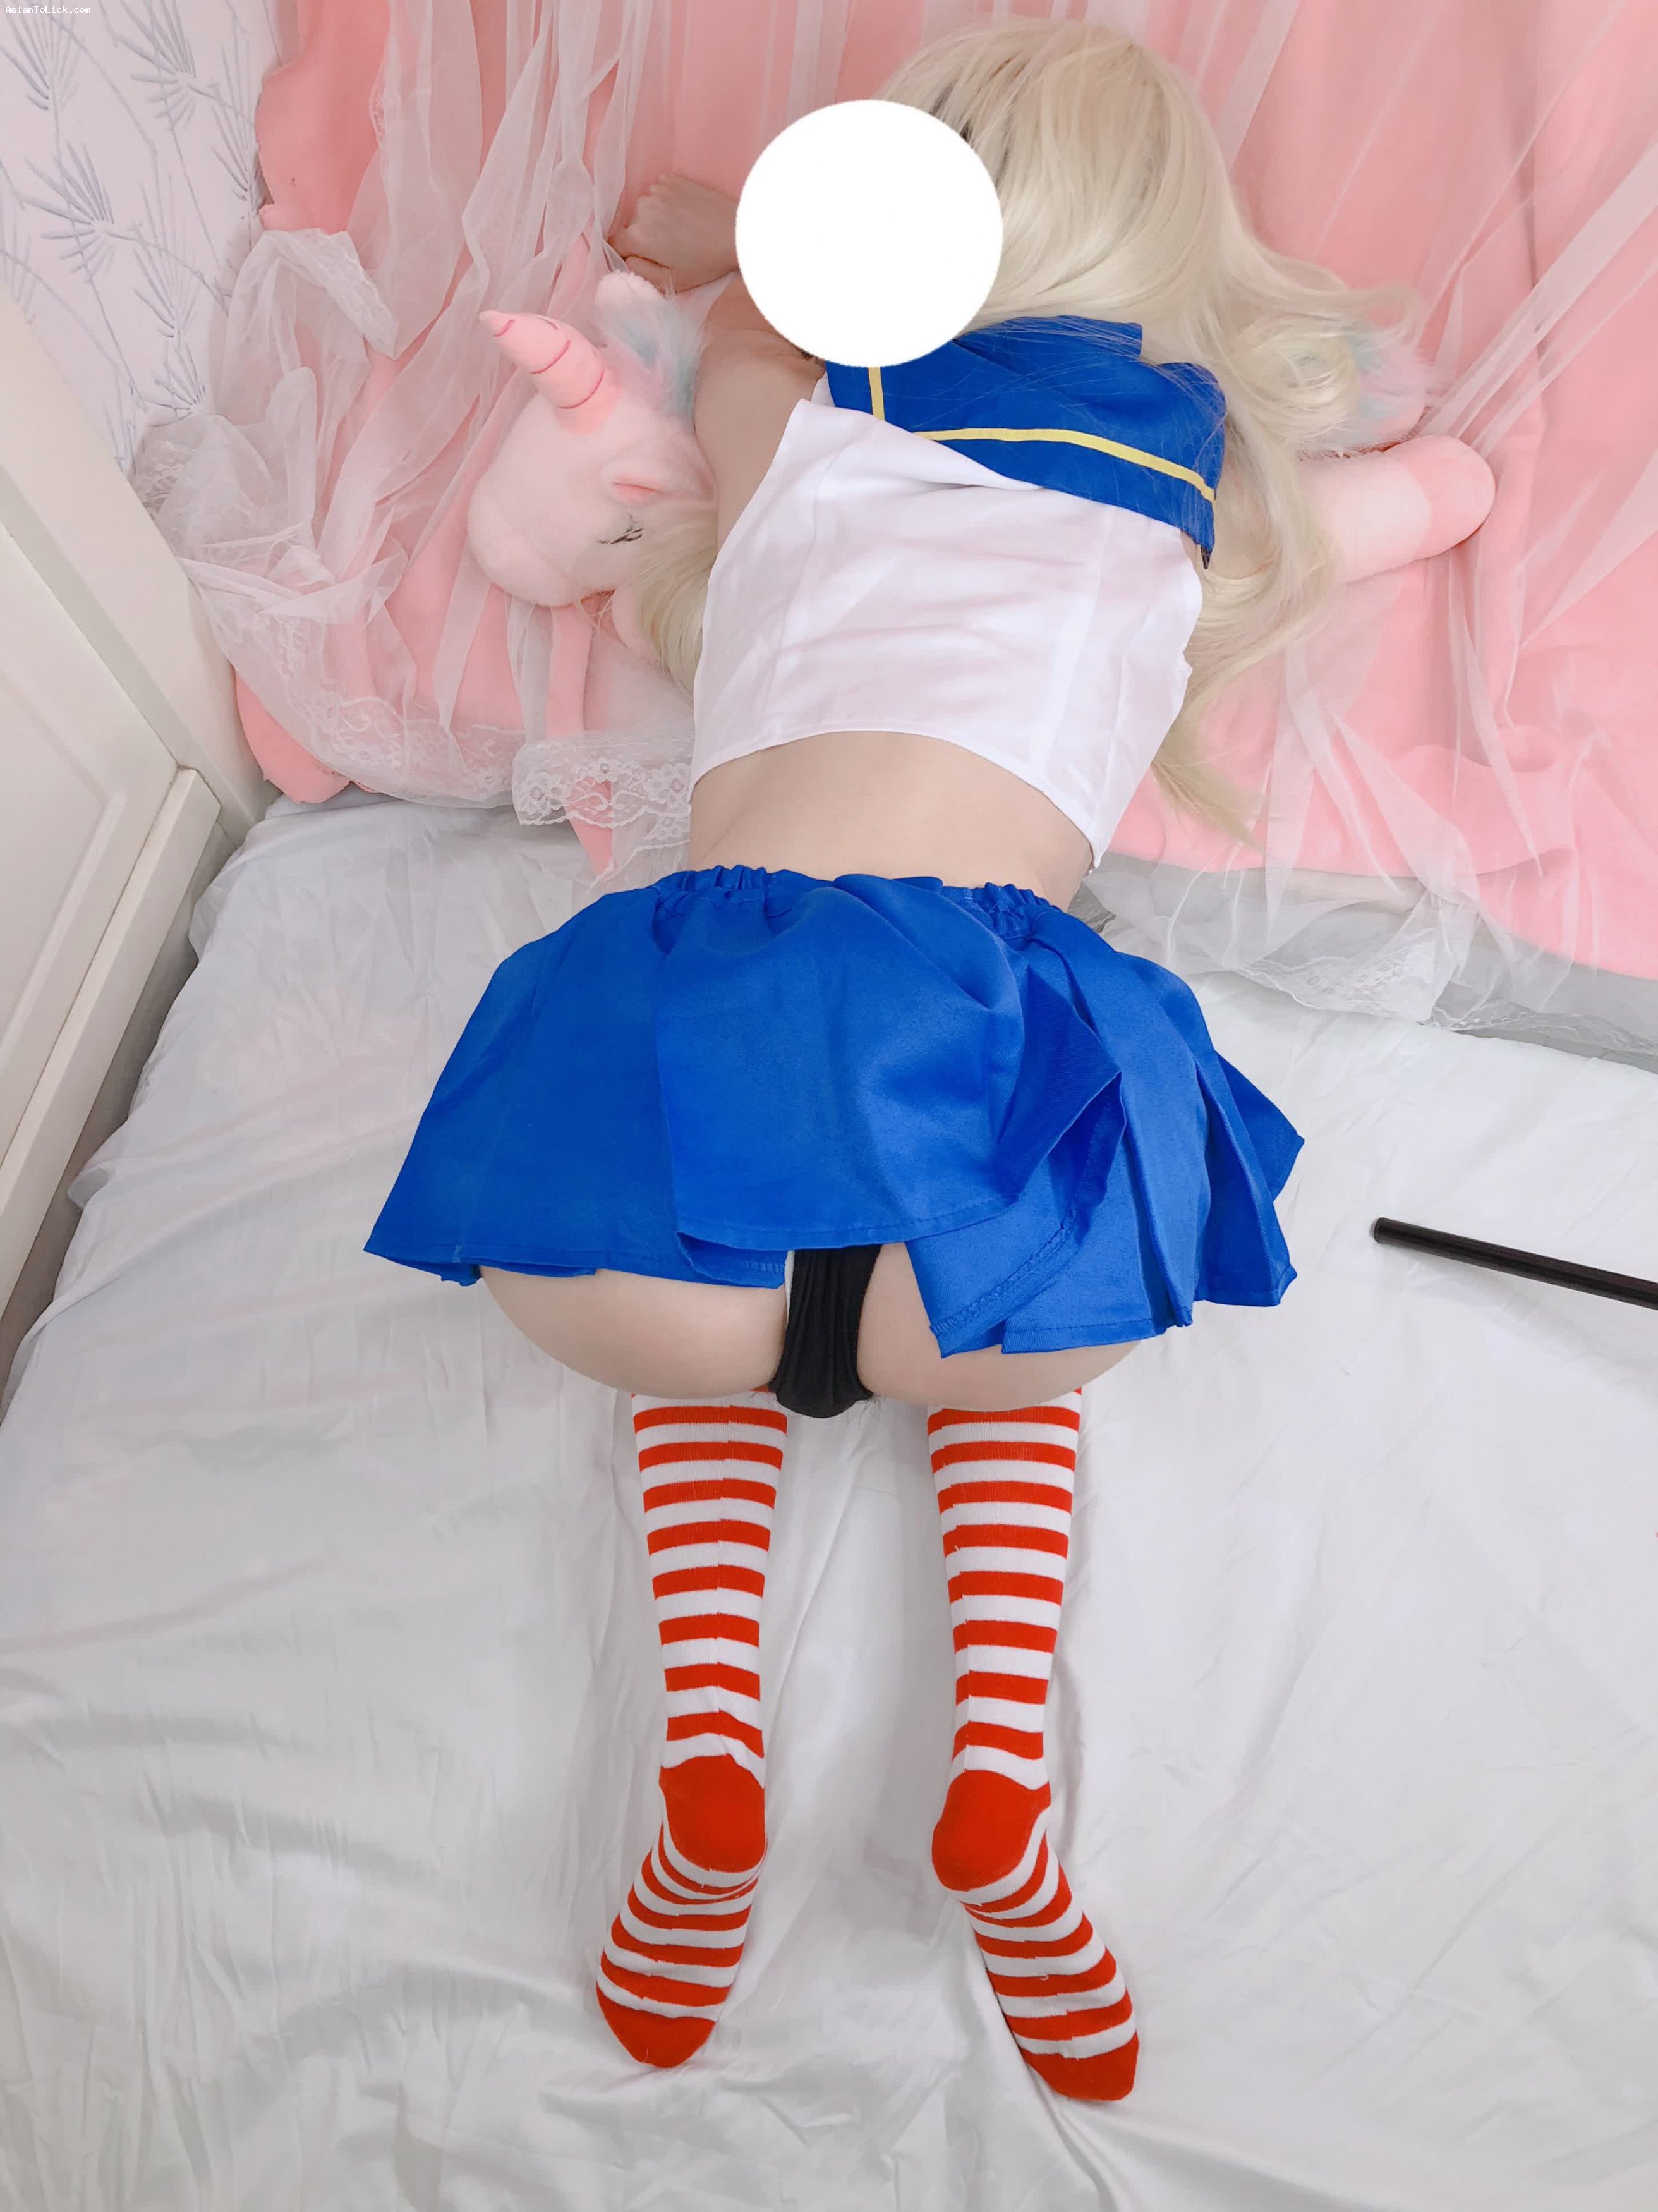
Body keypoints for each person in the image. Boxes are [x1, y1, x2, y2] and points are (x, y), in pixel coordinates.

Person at [366, 18, 1487, 2101]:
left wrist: (727, 241)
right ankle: (998, 1782)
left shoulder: (801, 399)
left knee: (695, 1266)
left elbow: (752, 311)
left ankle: (711, 1754)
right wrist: (1435, 481)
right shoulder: (1187, 466)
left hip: (670, 1201)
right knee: (1016, 1345)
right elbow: (1412, 500)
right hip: (979, 1179)